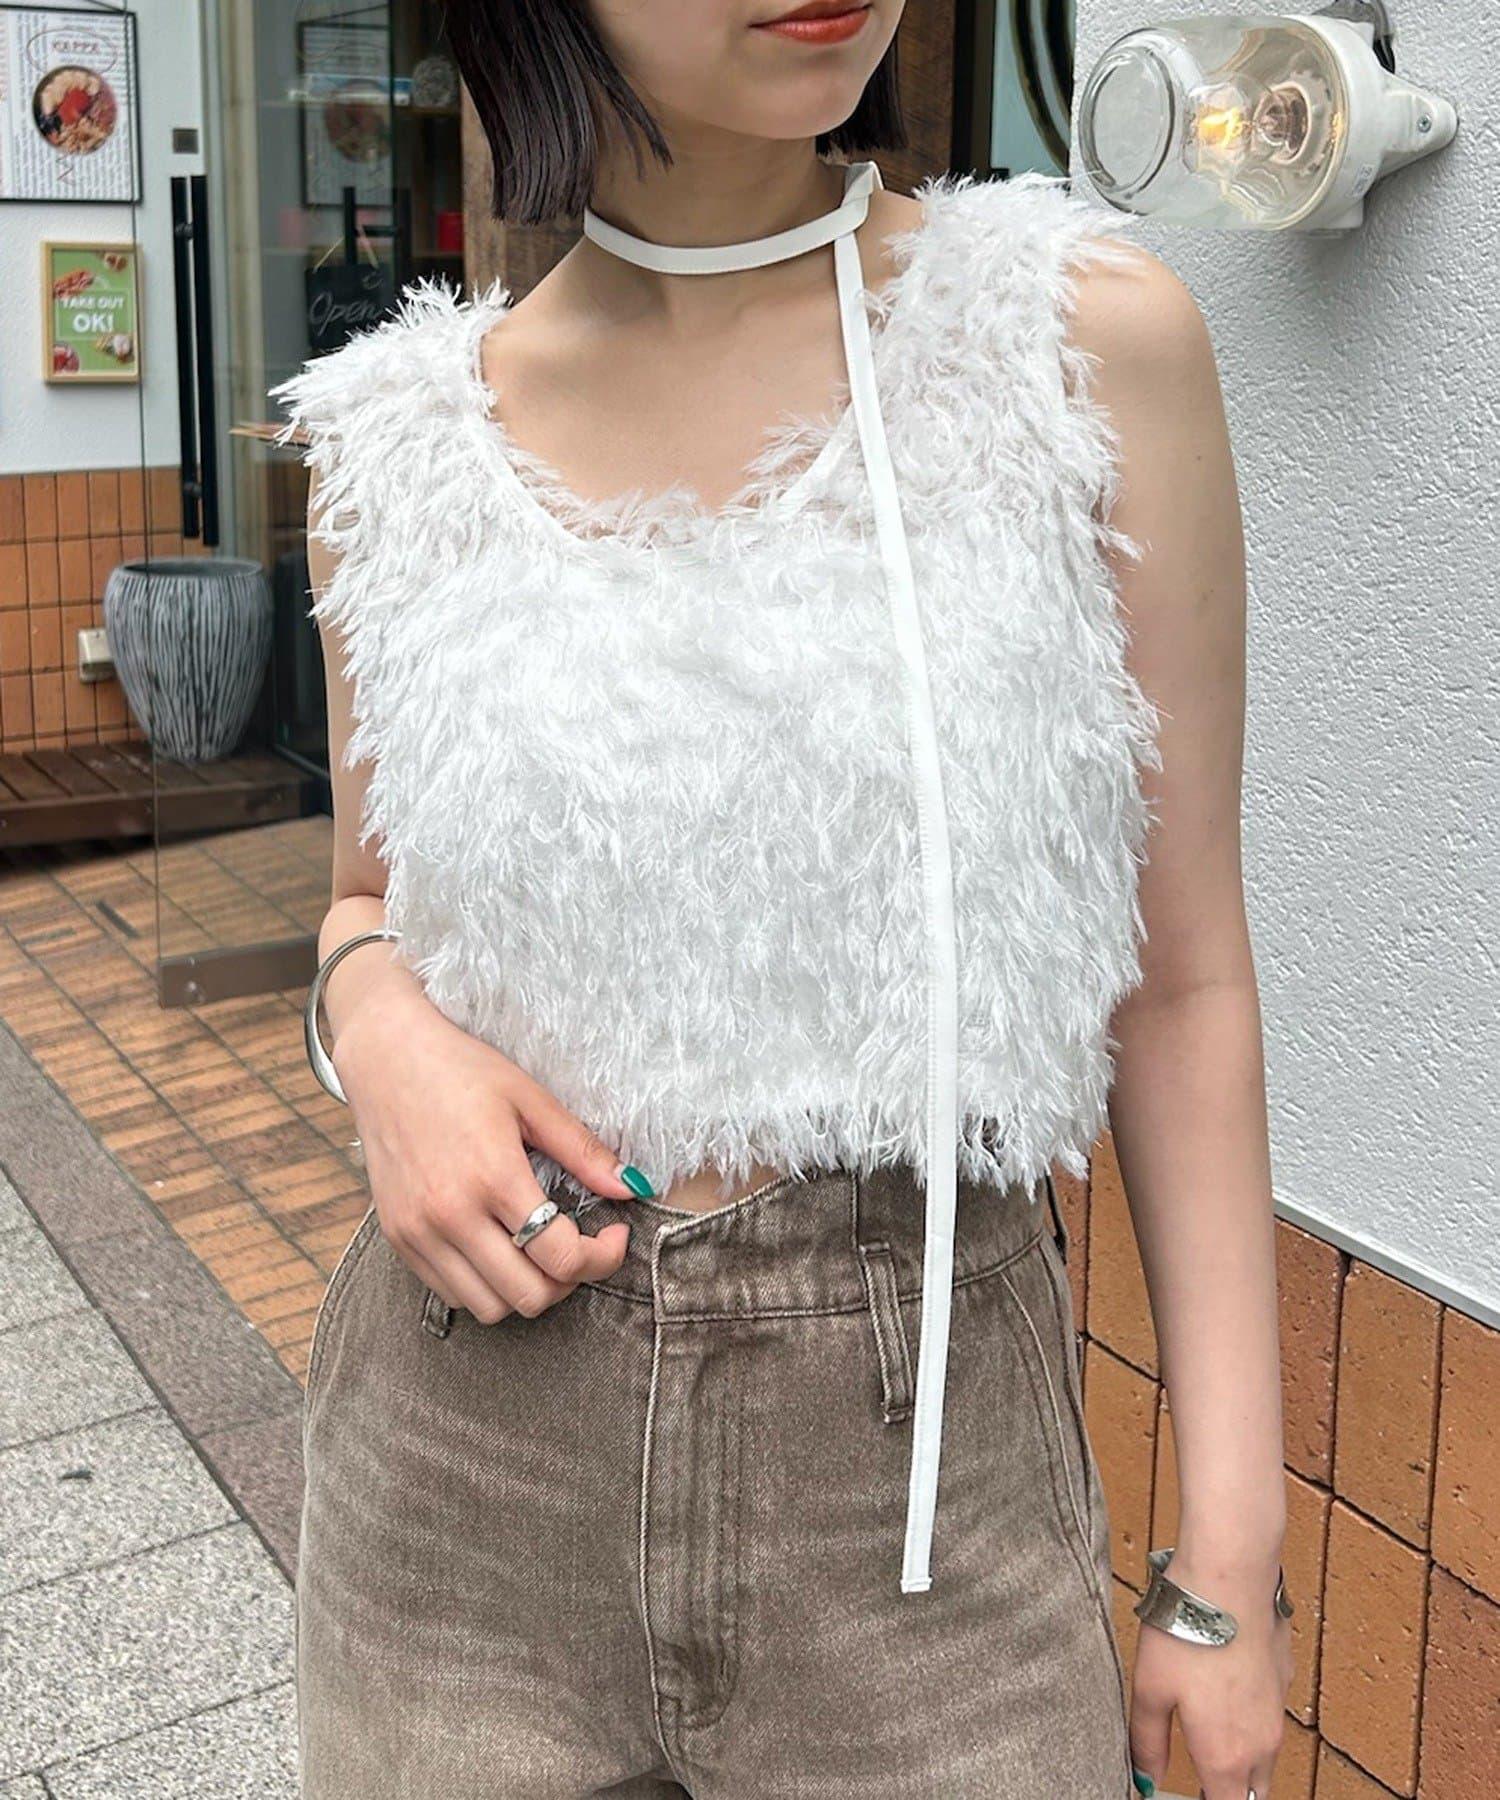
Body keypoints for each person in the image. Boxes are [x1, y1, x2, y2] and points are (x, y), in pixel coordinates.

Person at [274, 3, 1293, 1796]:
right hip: (461, 1462)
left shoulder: (1072, 346)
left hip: (918, 1474)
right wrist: (377, 1035)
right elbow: (370, 902)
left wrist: (1232, 1557)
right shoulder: (395, 448)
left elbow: (1183, 975)